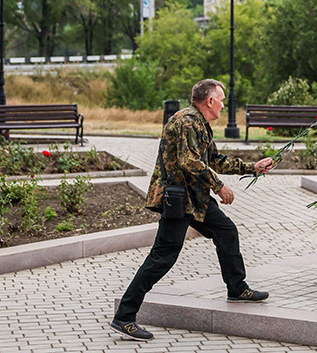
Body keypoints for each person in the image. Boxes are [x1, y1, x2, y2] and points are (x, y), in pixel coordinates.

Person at [111, 79, 275, 341]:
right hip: (179, 201)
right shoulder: (187, 121)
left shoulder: (200, 123)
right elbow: (190, 162)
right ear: (210, 101)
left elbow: (215, 160)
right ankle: (125, 316)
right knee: (163, 257)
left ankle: (237, 288)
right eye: (221, 99)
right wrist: (219, 187)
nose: (224, 104)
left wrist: (252, 168)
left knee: (226, 231)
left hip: (196, 199)